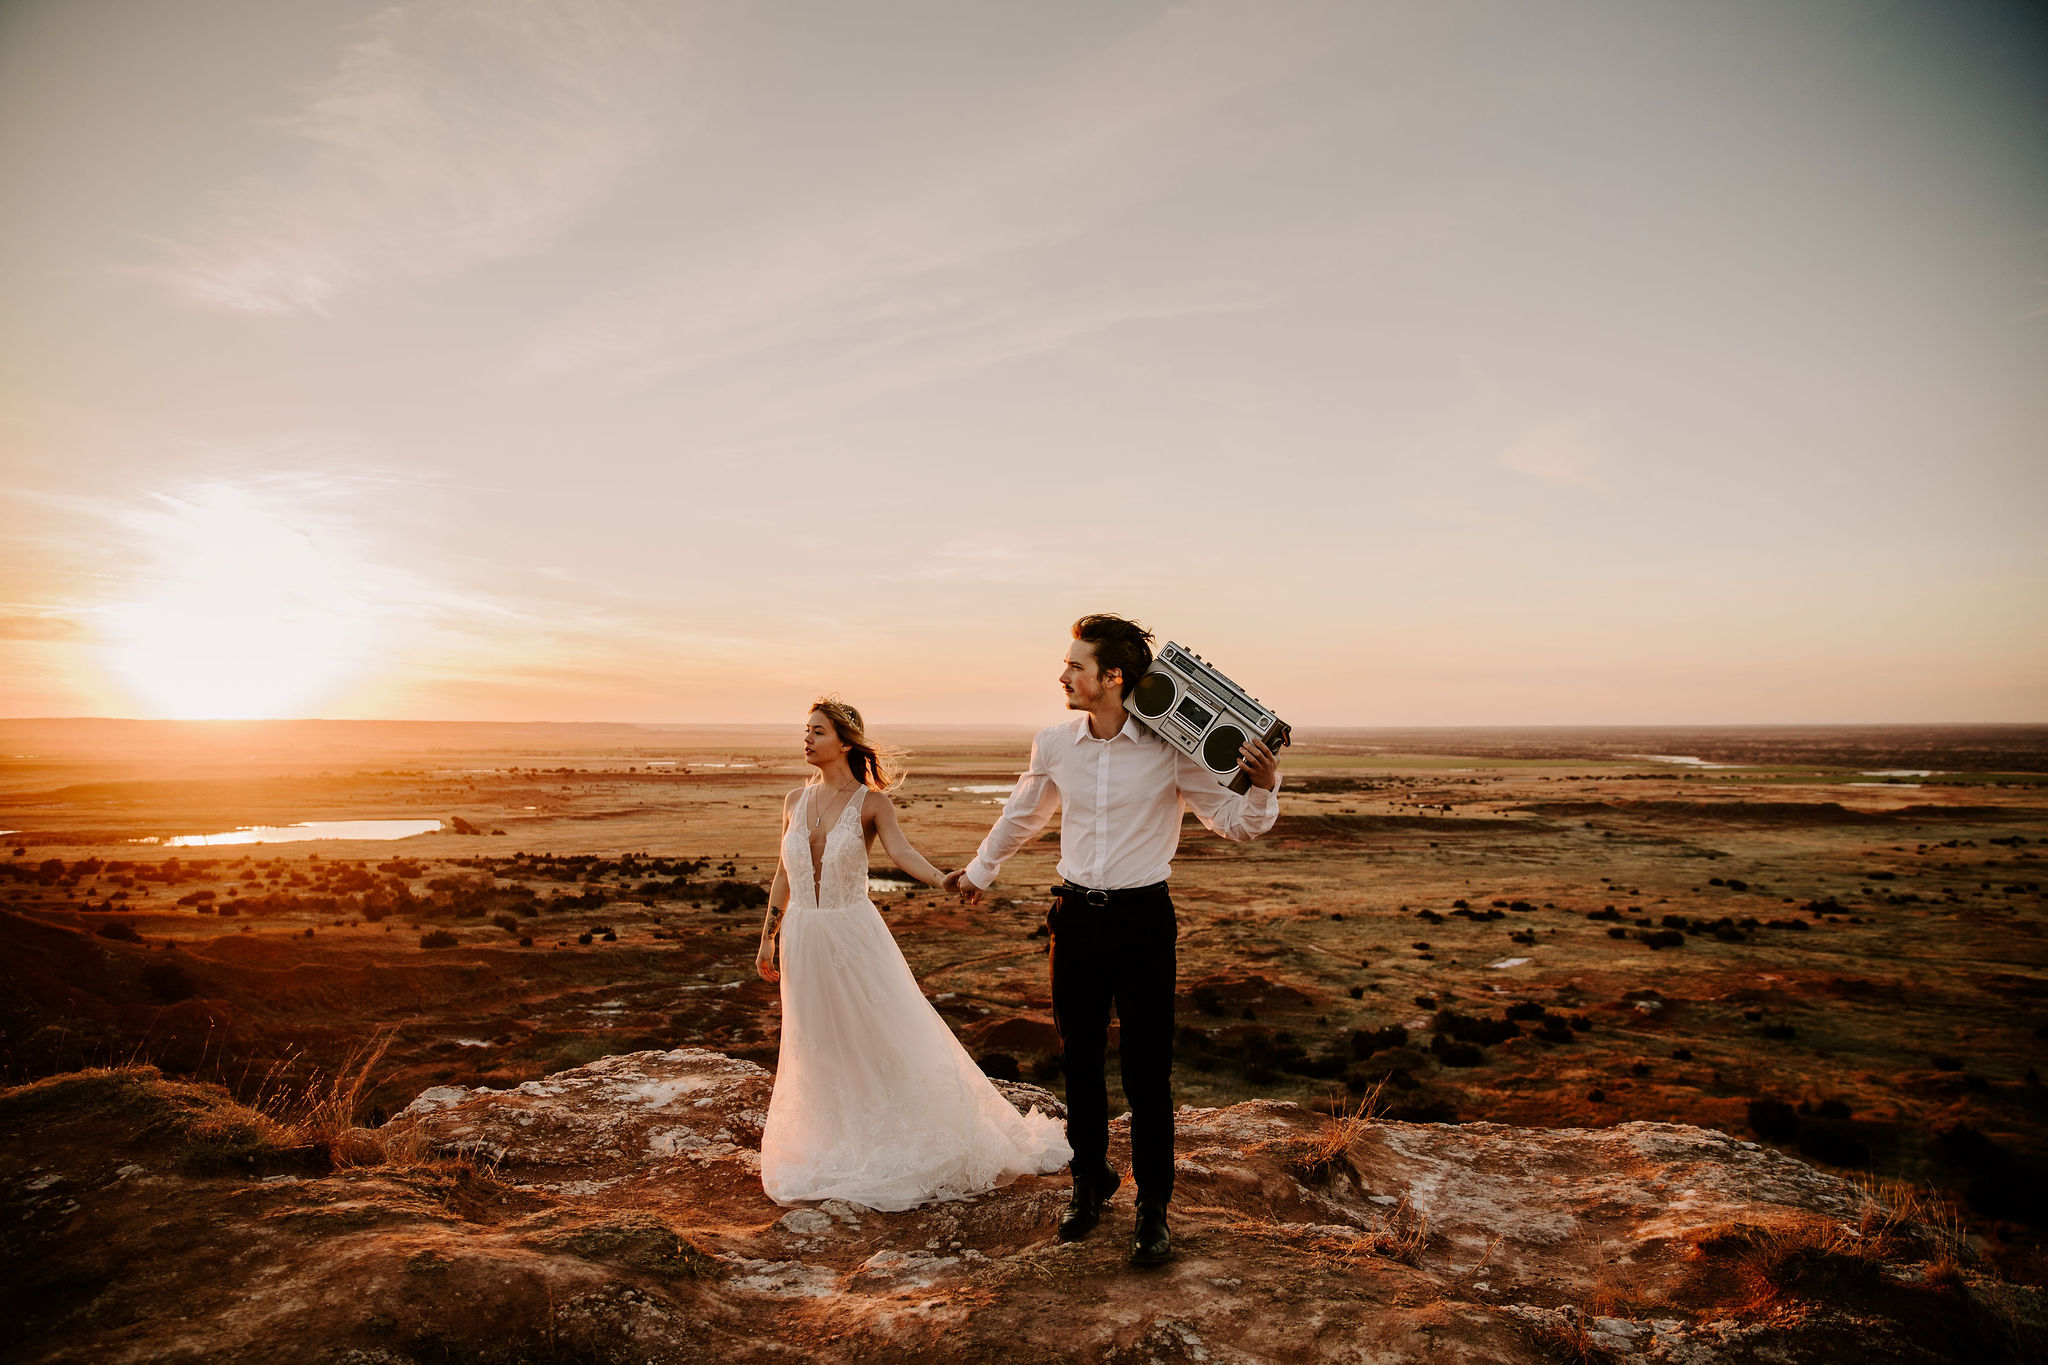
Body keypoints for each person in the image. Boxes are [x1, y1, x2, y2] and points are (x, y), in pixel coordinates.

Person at [944, 614, 1280, 1266]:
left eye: (1075, 665)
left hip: (1144, 921)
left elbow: (1233, 821)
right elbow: (1022, 815)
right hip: (1074, 919)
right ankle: (1088, 1181)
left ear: (1112, 677)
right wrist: (979, 871)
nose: (1063, 674)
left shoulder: (1171, 750)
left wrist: (1264, 788)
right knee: (1079, 1060)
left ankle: (1153, 1207)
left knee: (1147, 1072)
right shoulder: (1054, 743)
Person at [754, 696, 1070, 1211]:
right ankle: (829, 1137)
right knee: (816, 1040)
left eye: (816, 731)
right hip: (804, 939)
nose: (806, 739)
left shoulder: (872, 803)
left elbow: (901, 853)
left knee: (882, 1030)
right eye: (805, 730)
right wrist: (769, 935)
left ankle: (907, 1134)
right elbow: (783, 875)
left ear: (845, 741)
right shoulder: (793, 800)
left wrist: (945, 880)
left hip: (854, 935)